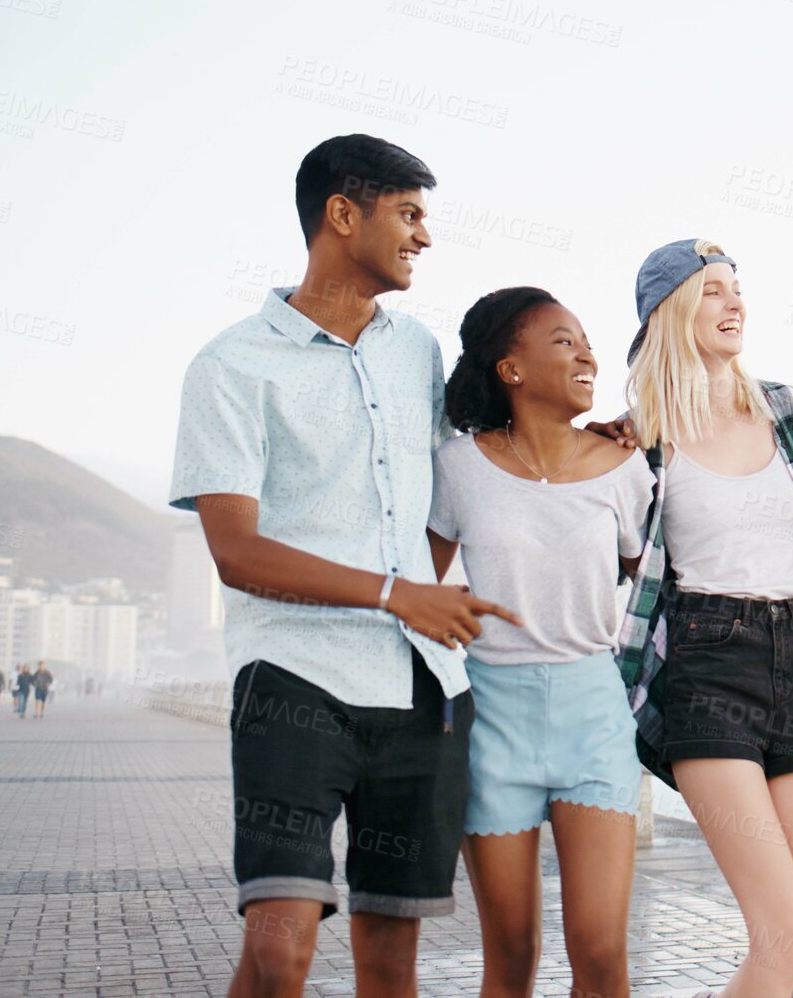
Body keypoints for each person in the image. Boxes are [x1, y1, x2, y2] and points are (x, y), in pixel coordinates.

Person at [168, 133, 518, 998]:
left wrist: (599, 443)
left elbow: (463, 480)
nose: (424, 236)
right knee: (281, 945)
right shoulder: (229, 365)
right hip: (292, 679)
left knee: (389, 963)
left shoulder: (420, 353)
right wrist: (400, 594)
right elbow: (235, 551)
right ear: (341, 213)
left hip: (423, 692)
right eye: (408, 213)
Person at [614, 239, 793, 998]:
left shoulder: (786, 410)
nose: (734, 303)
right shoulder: (637, 437)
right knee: (779, 936)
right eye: (711, 290)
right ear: (668, 311)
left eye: (738, 288)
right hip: (706, 666)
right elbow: (599, 552)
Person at [428, 288, 653, 998]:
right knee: (512, 950)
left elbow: (648, 583)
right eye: (563, 340)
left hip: (593, 712)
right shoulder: (458, 466)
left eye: (586, 339)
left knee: (599, 950)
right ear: (510, 368)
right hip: (493, 719)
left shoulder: (624, 467)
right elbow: (419, 586)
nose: (587, 353)